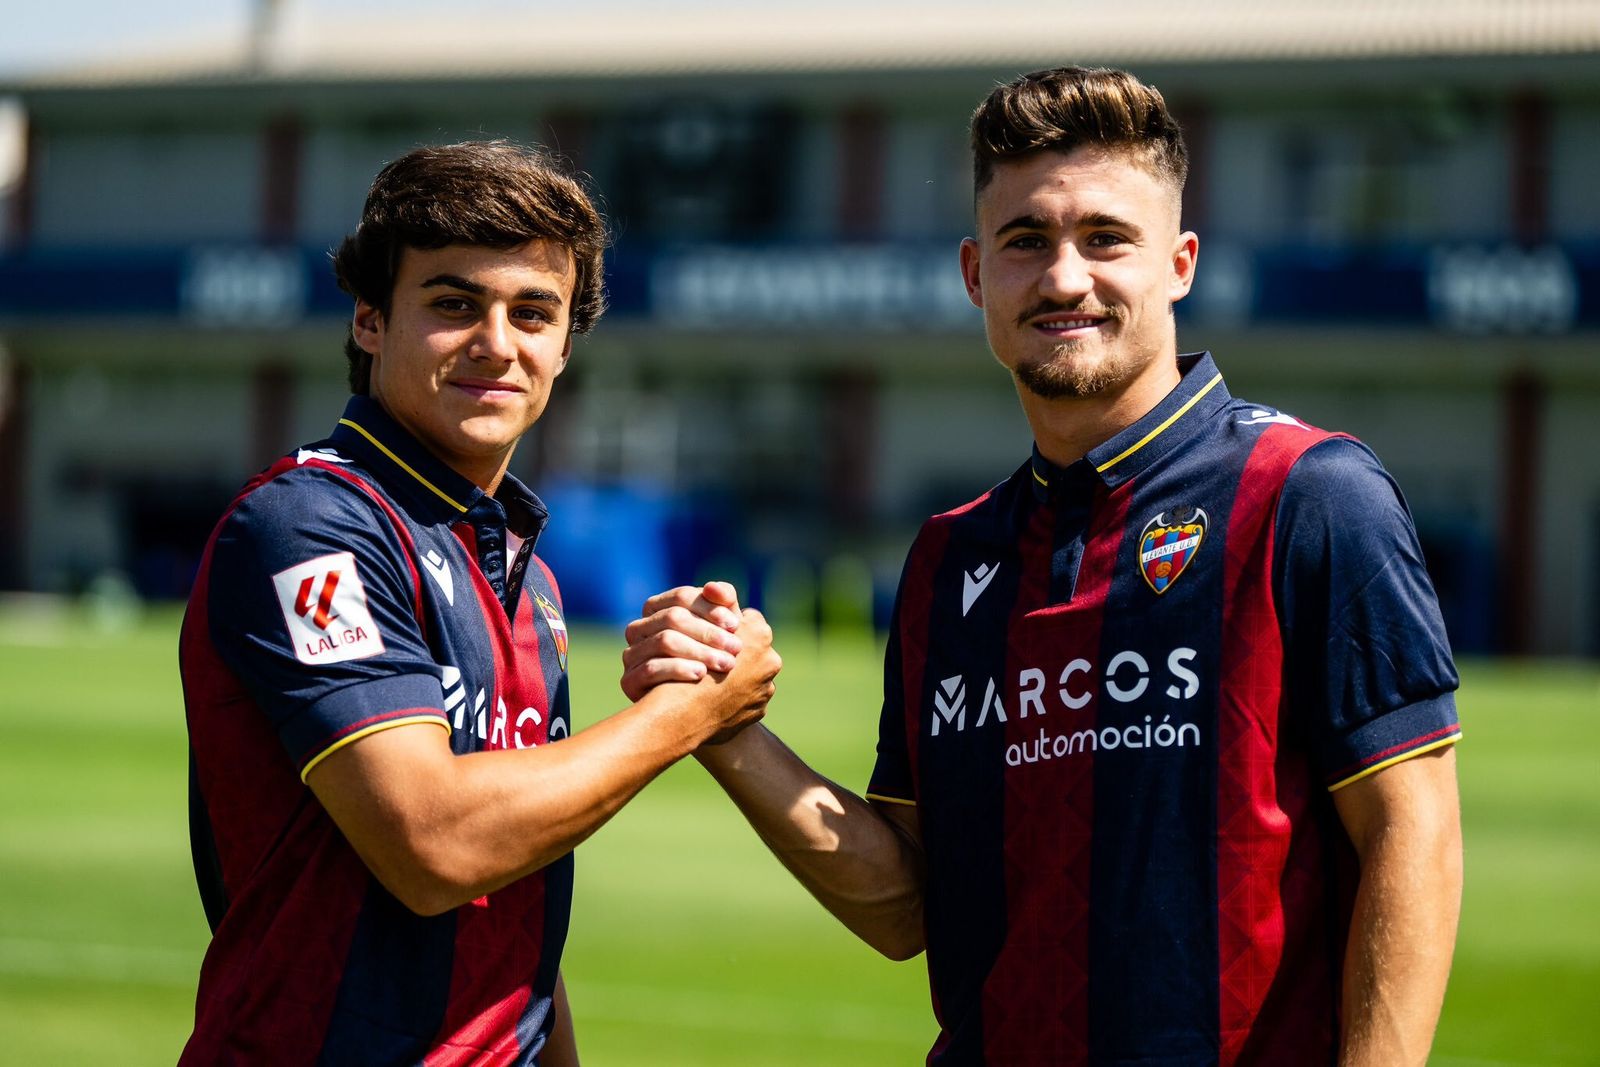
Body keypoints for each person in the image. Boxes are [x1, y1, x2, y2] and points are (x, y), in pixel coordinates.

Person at [624, 67, 1463, 1065]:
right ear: (977, 276)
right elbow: (903, 904)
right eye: (1027, 241)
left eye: (1106, 238)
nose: (1064, 277)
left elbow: (1412, 830)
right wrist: (724, 731)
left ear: (1180, 263)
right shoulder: (951, 553)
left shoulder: (1309, 491)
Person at [178, 140, 779, 1065]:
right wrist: (687, 715)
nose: (497, 343)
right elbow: (435, 846)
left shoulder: (524, 571)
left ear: (565, 347)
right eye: (455, 303)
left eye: (532, 312)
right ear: (371, 321)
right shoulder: (310, 526)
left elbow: (514, 885)